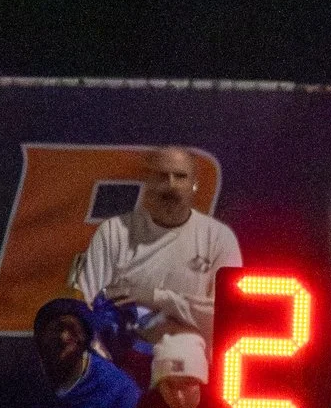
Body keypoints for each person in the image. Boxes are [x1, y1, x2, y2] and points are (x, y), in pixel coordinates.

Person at [67, 146, 243, 353]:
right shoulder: (114, 232)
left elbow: (228, 318)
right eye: (161, 176)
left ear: (195, 184)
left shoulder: (218, 238)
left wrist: (154, 297)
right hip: (124, 364)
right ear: (148, 183)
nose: (170, 185)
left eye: (180, 177)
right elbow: (84, 309)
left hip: (191, 367)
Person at [0, 297, 141, 408]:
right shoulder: (15, 385)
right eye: (55, 329)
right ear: (40, 337)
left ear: (86, 337)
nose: (63, 337)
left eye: (72, 329)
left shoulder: (117, 389)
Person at [124, 334, 240, 408]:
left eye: (188, 383)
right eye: (170, 385)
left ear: (202, 383)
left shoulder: (226, 404)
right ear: (158, 386)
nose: (179, 396)